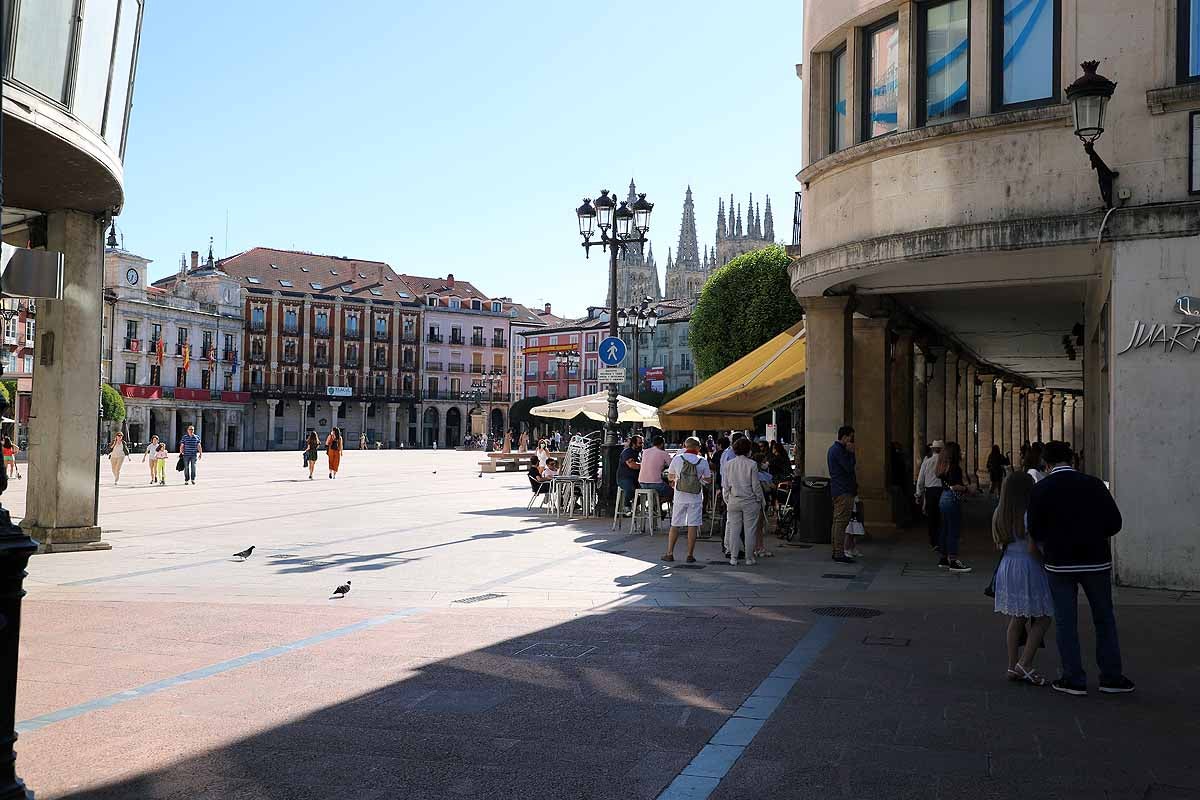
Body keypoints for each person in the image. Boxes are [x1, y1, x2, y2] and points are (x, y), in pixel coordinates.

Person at [1027, 440, 1132, 697]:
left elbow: (1035, 530)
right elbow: (1114, 523)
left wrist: (1051, 543)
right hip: (1095, 560)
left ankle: (1073, 678)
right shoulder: (1094, 485)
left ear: (1046, 463)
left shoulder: (1042, 488)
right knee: (1104, 618)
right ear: (1073, 460)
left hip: (1060, 562)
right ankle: (1111, 677)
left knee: (1065, 621)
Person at [991, 472, 1054, 686]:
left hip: (1008, 564)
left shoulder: (999, 513)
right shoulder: (1028, 515)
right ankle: (1025, 662)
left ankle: (1012, 664)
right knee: (1044, 615)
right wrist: (1046, 562)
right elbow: (1033, 547)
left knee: (1016, 618)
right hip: (1028, 566)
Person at [662, 437, 712, 563]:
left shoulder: (678, 459)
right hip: (695, 497)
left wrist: (676, 481)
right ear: (698, 447)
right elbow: (708, 479)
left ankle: (670, 553)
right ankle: (690, 554)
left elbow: (670, 476)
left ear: (685, 446)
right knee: (693, 525)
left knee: (675, 524)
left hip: (680, 496)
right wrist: (699, 479)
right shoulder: (702, 461)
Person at [721, 437, 764, 566]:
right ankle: (749, 558)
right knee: (750, 530)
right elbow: (755, 485)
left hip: (734, 500)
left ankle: (733, 557)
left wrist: (727, 499)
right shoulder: (752, 464)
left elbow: (726, 485)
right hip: (749, 501)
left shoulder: (729, 464)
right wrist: (759, 498)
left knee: (734, 530)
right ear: (748, 450)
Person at [935, 441, 973, 572]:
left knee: (945, 529)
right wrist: (967, 488)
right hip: (952, 499)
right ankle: (953, 560)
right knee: (953, 531)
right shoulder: (955, 467)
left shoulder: (942, 466)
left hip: (943, 498)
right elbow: (954, 486)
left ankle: (944, 558)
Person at [827, 426, 857, 564]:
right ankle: (838, 552)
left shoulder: (834, 450)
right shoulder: (840, 451)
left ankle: (836, 551)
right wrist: (851, 453)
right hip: (843, 490)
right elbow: (849, 468)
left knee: (837, 521)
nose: (851, 440)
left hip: (839, 489)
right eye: (850, 437)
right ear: (844, 437)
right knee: (841, 522)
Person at [916, 440, 945, 551]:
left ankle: (933, 541)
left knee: (932, 517)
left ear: (933, 449)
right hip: (942, 491)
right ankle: (941, 539)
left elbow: (921, 479)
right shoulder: (944, 461)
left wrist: (918, 494)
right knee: (941, 517)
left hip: (930, 491)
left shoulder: (927, 461)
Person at [638, 435, 674, 513]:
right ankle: (655, 504)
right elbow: (672, 466)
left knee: (659, 492)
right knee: (673, 493)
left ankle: (657, 509)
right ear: (662, 444)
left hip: (642, 483)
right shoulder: (663, 453)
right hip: (655, 483)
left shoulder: (645, 452)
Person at [617, 434, 643, 508]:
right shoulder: (627, 452)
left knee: (649, 488)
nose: (641, 445)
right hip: (624, 478)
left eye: (642, 443)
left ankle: (636, 507)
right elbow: (632, 465)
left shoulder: (640, 453)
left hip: (636, 479)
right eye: (640, 443)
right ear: (634, 444)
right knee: (630, 489)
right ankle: (626, 506)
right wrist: (644, 466)